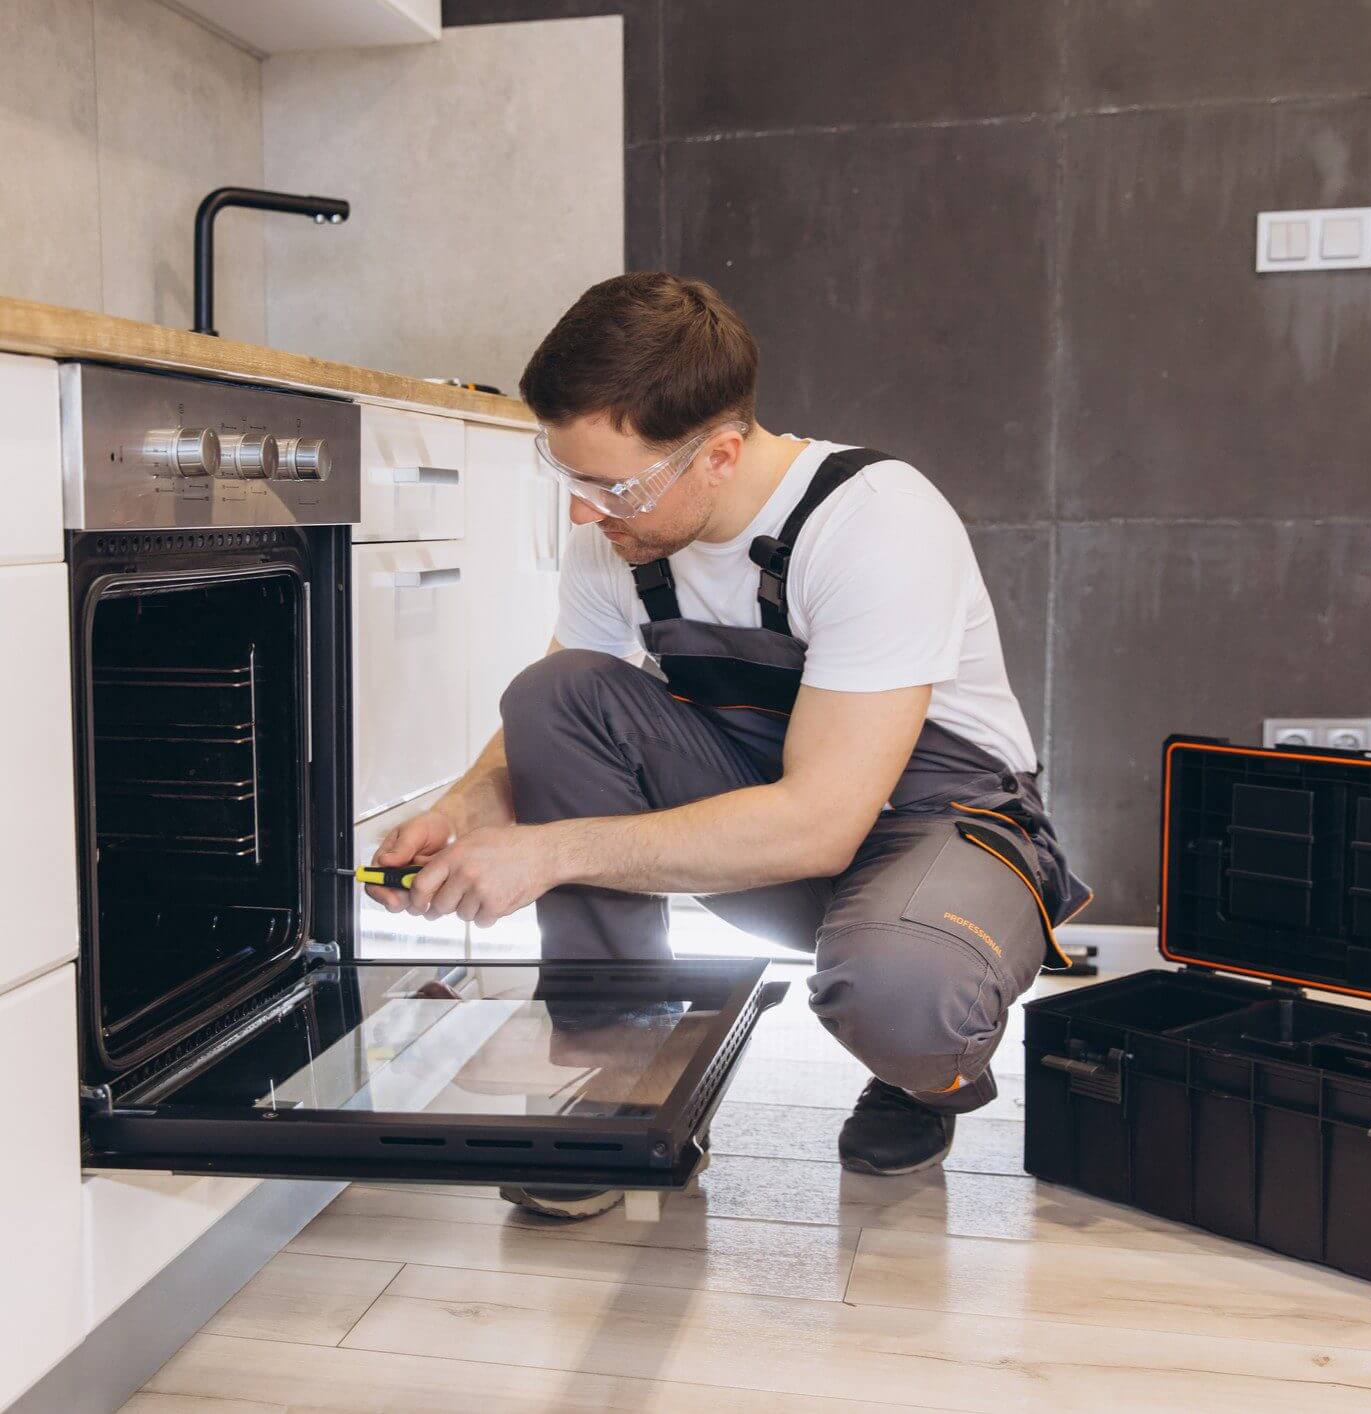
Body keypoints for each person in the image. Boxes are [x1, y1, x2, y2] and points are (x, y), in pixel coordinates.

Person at [368, 272, 1090, 1219]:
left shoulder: (874, 521)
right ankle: (617, 1081)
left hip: (936, 825)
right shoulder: (620, 537)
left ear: (720, 453)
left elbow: (821, 825)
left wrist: (546, 854)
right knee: (555, 692)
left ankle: (920, 1069)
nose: (583, 511)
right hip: (771, 815)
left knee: (902, 998)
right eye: (568, 477)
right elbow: (552, 720)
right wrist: (464, 807)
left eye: (611, 485)